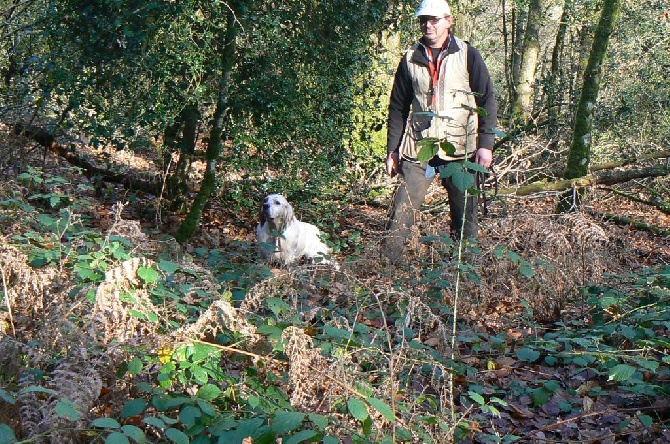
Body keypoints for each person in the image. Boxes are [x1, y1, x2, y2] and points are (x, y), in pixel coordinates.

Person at [381, 0, 498, 263]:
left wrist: (485, 144)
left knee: (464, 215)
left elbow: (487, 99)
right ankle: (385, 273)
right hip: (419, 147)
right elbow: (397, 107)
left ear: (449, 20)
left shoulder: (468, 54)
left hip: (461, 148)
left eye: (434, 19)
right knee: (401, 210)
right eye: (424, 20)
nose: (428, 25)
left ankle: (464, 271)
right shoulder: (410, 58)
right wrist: (392, 151)